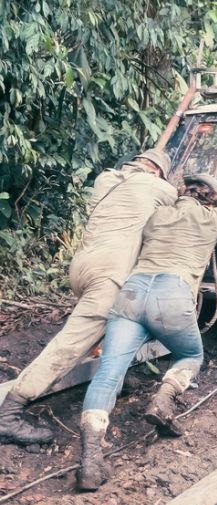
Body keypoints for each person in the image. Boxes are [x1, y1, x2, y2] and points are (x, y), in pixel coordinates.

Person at [76, 174, 217, 491]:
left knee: (108, 372)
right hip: (172, 295)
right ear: (212, 200)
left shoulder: (157, 216)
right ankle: (162, 401)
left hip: (132, 293)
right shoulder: (214, 218)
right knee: (191, 355)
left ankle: (91, 460)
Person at [0, 149, 177, 446]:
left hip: (82, 266)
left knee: (119, 320)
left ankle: (114, 382)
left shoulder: (106, 179)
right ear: (158, 172)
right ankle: (10, 412)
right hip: (110, 272)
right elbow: (184, 210)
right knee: (71, 343)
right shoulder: (159, 187)